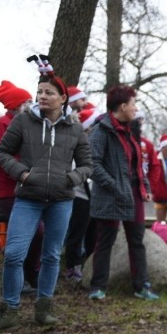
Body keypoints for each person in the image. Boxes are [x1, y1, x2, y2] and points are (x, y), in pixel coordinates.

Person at [0, 63, 93, 332]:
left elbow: (88, 164)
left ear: (62, 99)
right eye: (39, 91)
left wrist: (72, 178)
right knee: (14, 255)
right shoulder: (23, 121)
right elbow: (1, 153)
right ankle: (8, 310)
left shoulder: (74, 129)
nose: (42, 96)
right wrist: (22, 174)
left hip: (62, 200)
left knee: (52, 255)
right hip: (28, 198)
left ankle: (44, 309)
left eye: (49, 92)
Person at [87, 85, 159, 301]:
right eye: (133, 104)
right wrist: (115, 186)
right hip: (110, 196)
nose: (136, 108)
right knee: (105, 242)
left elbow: (139, 165)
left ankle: (141, 287)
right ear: (122, 106)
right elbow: (92, 164)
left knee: (137, 241)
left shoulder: (133, 131)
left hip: (133, 195)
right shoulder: (101, 131)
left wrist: (144, 188)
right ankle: (98, 287)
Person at [0, 80, 43, 290]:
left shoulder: (28, 125)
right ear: (16, 105)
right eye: (27, 101)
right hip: (8, 190)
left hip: (27, 187)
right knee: (29, 233)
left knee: (38, 232)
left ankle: (30, 275)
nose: (31, 104)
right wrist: (24, 171)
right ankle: (21, 278)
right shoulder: (1, 125)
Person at [63, 104, 100, 282]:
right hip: (79, 194)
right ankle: (72, 266)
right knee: (77, 232)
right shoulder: (76, 142)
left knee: (93, 233)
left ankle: (89, 265)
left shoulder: (94, 143)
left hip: (93, 195)